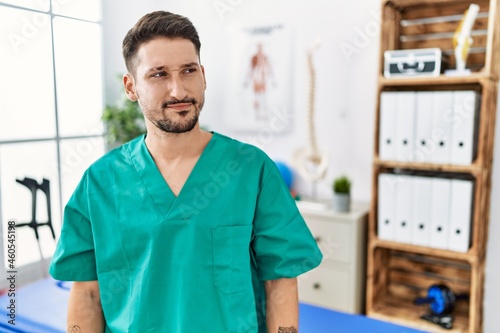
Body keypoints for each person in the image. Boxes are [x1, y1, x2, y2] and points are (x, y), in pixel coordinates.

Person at [49, 11, 322, 333]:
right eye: (159, 75)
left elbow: (280, 281)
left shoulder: (251, 170)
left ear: (203, 75)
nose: (178, 91)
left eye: (188, 71)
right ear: (130, 86)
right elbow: (89, 293)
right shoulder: (100, 182)